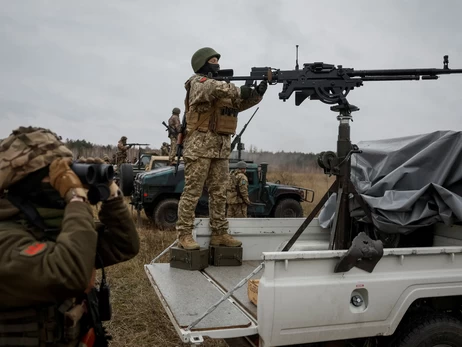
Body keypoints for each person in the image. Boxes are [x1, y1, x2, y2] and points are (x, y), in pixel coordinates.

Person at [0, 126, 140, 346]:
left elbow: (124, 244)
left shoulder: (50, 226)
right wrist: (76, 199)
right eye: (56, 174)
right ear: (26, 183)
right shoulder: (6, 235)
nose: (66, 180)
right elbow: (68, 271)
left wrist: (110, 192)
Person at [176, 47, 267, 250]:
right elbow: (212, 88)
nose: (217, 64)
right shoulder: (197, 83)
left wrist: (257, 94)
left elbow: (237, 104)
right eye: (214, 60)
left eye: (218, 60)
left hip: (220, 149)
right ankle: (184, 234)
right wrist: (238, 89)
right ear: (203, 64)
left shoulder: (221, 89)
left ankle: (219, 232)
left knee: (220, 193)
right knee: (192, 192)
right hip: (198, 148)